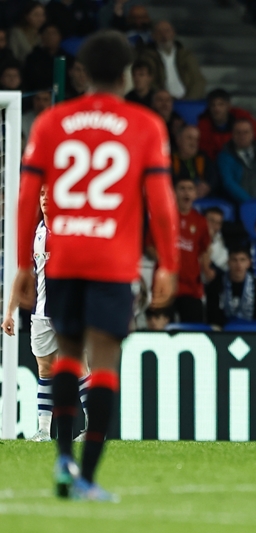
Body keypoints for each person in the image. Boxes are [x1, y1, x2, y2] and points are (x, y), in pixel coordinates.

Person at [15, 30, 179, 501]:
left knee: (65, 359)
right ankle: (87, 476)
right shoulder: (144, 124)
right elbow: (161, 201)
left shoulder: (51, 121)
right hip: (112, 259)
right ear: (127, 74)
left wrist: (25, 264)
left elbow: (28, 197)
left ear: (82, 72)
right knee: (103, 362)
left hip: (64, 256)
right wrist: (167, 262)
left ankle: (63, 460)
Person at [2, 186, 90, 443]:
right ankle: (43, 430)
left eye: (50, 192)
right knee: (44, 369)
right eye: (41, 193)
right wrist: (9, 312)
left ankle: (91, 427)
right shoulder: (35, 235)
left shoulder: (71, 231)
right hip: (41, 314)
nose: (45, 198)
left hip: (69, 311)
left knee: (79, 365)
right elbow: (23, 275)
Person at [170, 177, 212, 322]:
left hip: (191, 287)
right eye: (182, 188)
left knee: (194, 330)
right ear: (173, 192)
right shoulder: (164, 216)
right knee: (161, 329)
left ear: (195, 194)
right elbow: (151, 246)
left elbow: (205, 248)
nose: (186, 193)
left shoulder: (200, 221)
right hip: (167, 285)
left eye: (190, 189)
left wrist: (206, 268)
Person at [197, 88, 256, 159]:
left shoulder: (242, 118)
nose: (217, 109)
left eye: (221, 104)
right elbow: (204, 151)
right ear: (209, 107)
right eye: (213, 105)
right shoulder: (203, 125)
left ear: (228, 105)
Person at [138, 20, 206, 100]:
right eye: (159, 32)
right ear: (153, 36)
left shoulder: (186, 55)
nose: (164, 35)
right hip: (160, 102)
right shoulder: (147, 57)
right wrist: (164, 99)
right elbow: (149, 83)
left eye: (167, 31)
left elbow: (198, 80)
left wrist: (189, 100)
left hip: (187, 101)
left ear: (174, 33)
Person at [206, 247, 256, 328]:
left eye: (242, 260)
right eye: (234, 260)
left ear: (249, 263)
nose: (238, 265)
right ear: (228, 262)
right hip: (223, 331)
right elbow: (212, 316)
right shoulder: (216, 284)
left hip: (251, 330)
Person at [172, 125, 218, 198]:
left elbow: (214, 176)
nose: (193, 143)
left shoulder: (202, 157)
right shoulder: (169, 159)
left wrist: (208, 185)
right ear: (178, 140)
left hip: (202, 198)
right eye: (189, 138)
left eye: (196, 139)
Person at [22, 23, 68, 92]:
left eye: (53, 33)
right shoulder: (33, 58)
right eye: (47, 33)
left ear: (60, 36)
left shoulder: (67, 58)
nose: (50, 37)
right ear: (41, 36)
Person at [204, 207, 228, 272]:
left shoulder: (221, 237)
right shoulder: (192, 238)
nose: (214, 226)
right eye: (211, 221)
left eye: (218, 223)